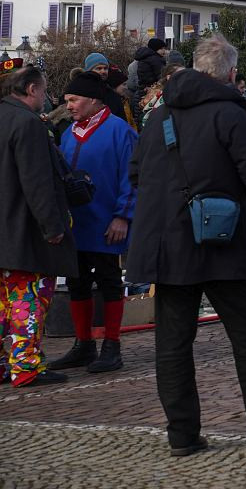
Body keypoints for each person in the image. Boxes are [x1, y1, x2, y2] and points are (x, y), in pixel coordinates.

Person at [127, 33, 246, 455]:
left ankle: (182, 435)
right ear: (230, 74)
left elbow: (137, 174)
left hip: (168, 244)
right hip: (221, 241)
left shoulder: (159, 116)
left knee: (172, 344)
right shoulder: (231, 114)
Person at [49, 72, 137, 374]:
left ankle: (112, 346)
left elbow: (132, 177)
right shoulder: (68, 132)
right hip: (77, 224)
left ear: (93, 100)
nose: (69, 105)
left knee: (110, 282)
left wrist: (123, 216)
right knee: (77, 283)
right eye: (66, 101)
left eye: (74, 100)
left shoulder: (119, 131)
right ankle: (83, 344)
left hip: (107, 222)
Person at [0, 62, 77, 387]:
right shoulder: (27, 124)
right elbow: (37, 181)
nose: (47, 98)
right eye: (44, 91)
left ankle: (5, 365)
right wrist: (53, 226)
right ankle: (26, 366)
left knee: (2, 304)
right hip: (22, 231)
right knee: (27, 298)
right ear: (31, 89)